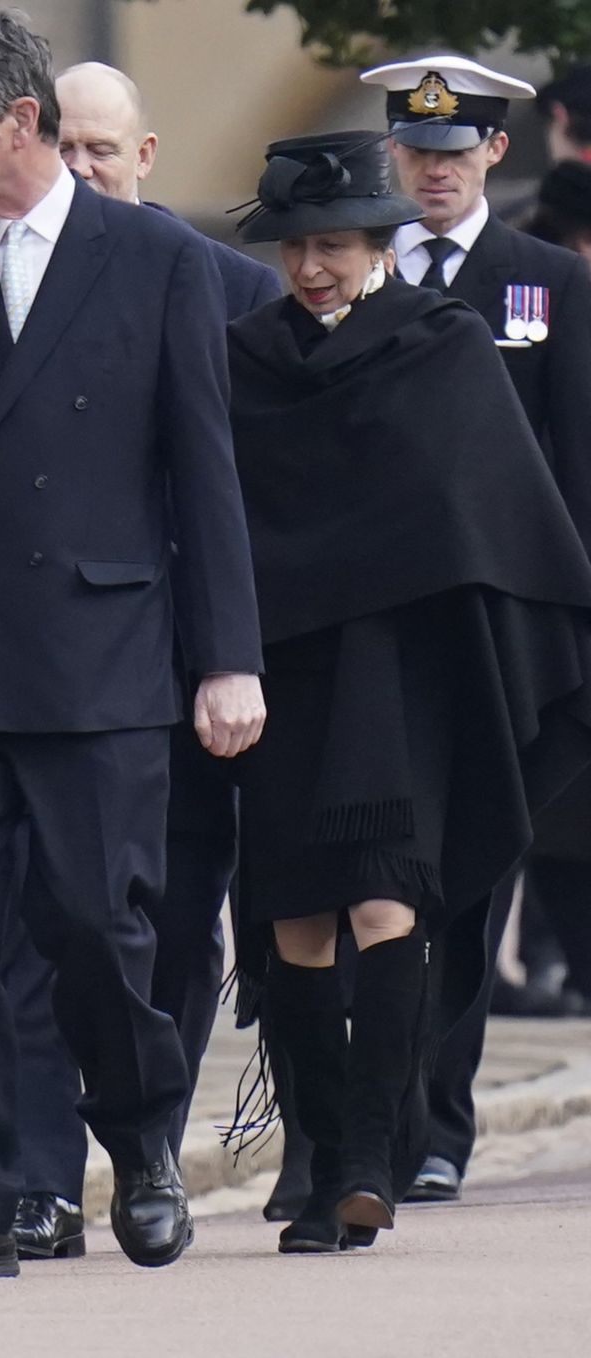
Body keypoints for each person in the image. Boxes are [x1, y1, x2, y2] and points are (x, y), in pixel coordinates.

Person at [0, 11, 266, 1281]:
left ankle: (136, 1139)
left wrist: (225, 655)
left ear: (16, 122)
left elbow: (203, 471)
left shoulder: (154, 259)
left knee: (98, 923)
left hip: (101, 654)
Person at [224, 128, 591, 1252]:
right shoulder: (241, 356)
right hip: (281, 671)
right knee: (290, 921)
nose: (310, 269)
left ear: (377, 242)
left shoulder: (442, 345)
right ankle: (321, 1149)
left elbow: (496, 517)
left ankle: (371, 1161)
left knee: (384, 906)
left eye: (331, 245)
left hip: (398, 681)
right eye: (292, 249)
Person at [0, 60, 287, 1261]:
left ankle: (144, 1140)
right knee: (45, 917)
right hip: (50, 668)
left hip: (182, 669)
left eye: (104, 148)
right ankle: (43, 1175)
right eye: (66, 143)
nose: (85, 165)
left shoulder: (230, 287)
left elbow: (240, 495)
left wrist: (233, 658)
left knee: (162, 924)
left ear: (144, 157)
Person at [361, 53, 591, 1205]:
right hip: (378, 630)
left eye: (454, 153)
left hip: (509, 638)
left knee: (470, 881)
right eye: (414, 151)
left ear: (495, 153)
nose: (433, 172)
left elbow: (576, 469)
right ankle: (372, 1111)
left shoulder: (544, 282)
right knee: (373, 875)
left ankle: (434, 1117)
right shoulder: (347, 273)